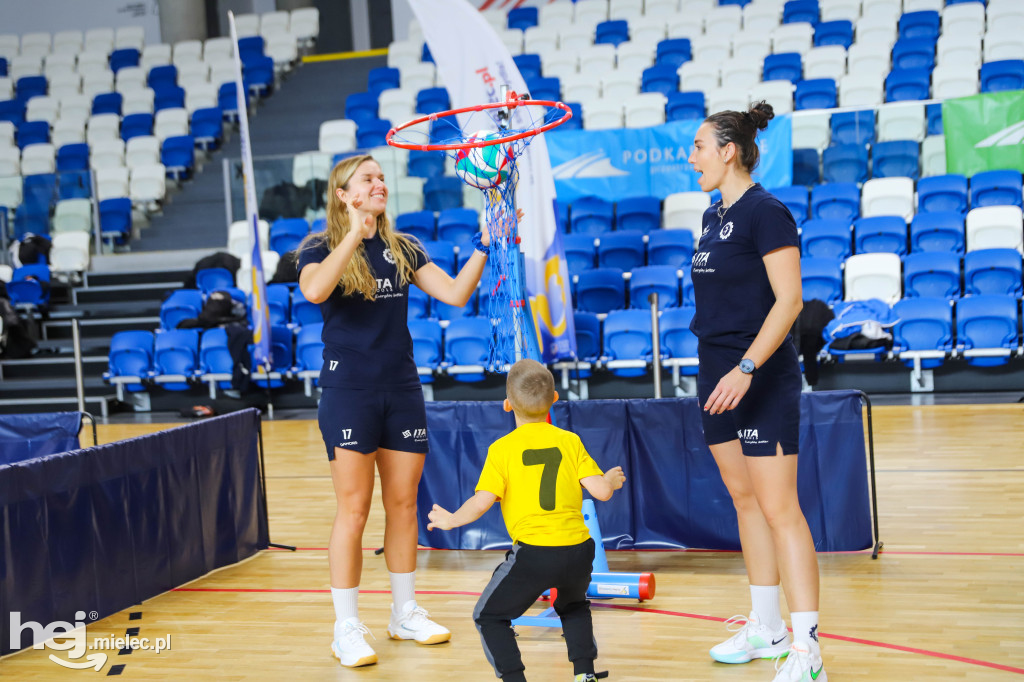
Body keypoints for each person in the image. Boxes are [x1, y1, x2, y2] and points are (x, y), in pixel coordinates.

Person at [297, 153, 493, 668]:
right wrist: (352, 236)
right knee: (355, 509)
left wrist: (483, 247)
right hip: (348, 392)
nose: (380, 184)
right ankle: (346, 627)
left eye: (382, 178)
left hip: (402, 388)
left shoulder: (404, 247)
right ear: (345, 194)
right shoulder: (319, 247)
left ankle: (404, 612)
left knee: (403, 505)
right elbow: (316, 290)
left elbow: (454, 294)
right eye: (369, 179)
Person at [686, 102, 825, 682]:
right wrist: (725, 370)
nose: (690, 157)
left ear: (728, 151)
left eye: (698, 147)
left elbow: (789, 301)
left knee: (779, 509)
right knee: (744, 502)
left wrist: (745, 368)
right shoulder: (711, 215)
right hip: (715, 372)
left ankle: (807, 647)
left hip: (758, 374)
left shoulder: (767, 212)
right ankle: (766, 627)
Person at [427, 358, 626, 682]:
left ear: (507, 404)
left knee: (488, 616)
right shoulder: (570, 441)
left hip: (534, 553)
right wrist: (611, 479)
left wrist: (451, 520)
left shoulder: (501, 449)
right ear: (555, 399)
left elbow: (481, 502)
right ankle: (584, 674)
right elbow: (601, 492)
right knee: (573, 605)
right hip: (578, 548)